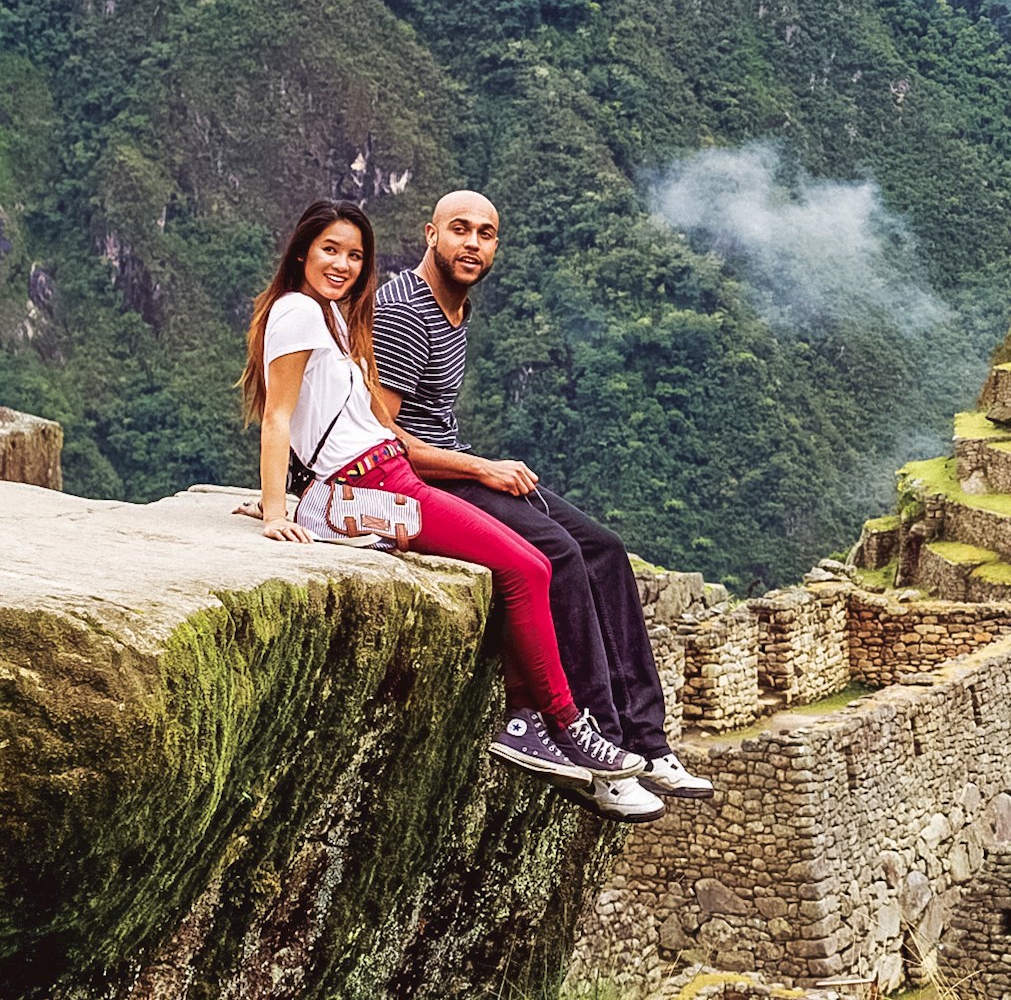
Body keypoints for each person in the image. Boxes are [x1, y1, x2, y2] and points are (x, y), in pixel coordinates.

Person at [242, 200, 649, 816]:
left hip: (386, 477)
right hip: (372, 488)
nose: (343, 265)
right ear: (302, 250)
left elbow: (320, 420)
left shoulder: (328, 316)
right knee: (528, 567)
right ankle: (554, 724)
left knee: (527, 561)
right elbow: (278, 415)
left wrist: (296, 497)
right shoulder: (299, 312)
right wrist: (277, 512)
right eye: (329, 249)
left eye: (355, 255)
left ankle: (537, 724)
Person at [371, 190, 714, 817]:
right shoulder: (404, 310)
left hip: (458, 463)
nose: (473, 244)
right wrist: (483, 469)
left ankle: (646, 740)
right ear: (430, 234)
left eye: (486, 234)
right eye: (460, 230)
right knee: (555, 552)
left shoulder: (455, 308)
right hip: (426, 479)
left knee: (605, 549)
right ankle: (598, 745)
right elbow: (381, 434)